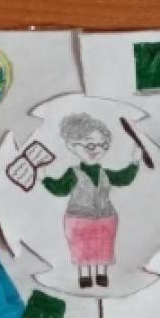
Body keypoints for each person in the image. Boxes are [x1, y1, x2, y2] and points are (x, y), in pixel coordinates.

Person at [41, 113, 140, 289]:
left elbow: (124, 178)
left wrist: (135, 162)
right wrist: (44, 179)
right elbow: (60, 189)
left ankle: (102, 274)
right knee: (82, 250)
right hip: (79, 220)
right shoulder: (73, 173)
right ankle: (84, 275)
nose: (97, 150)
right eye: (90, 145)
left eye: (103, 145)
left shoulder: (105, 173)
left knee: (103, 248)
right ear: (72, 145)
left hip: (105, 218)